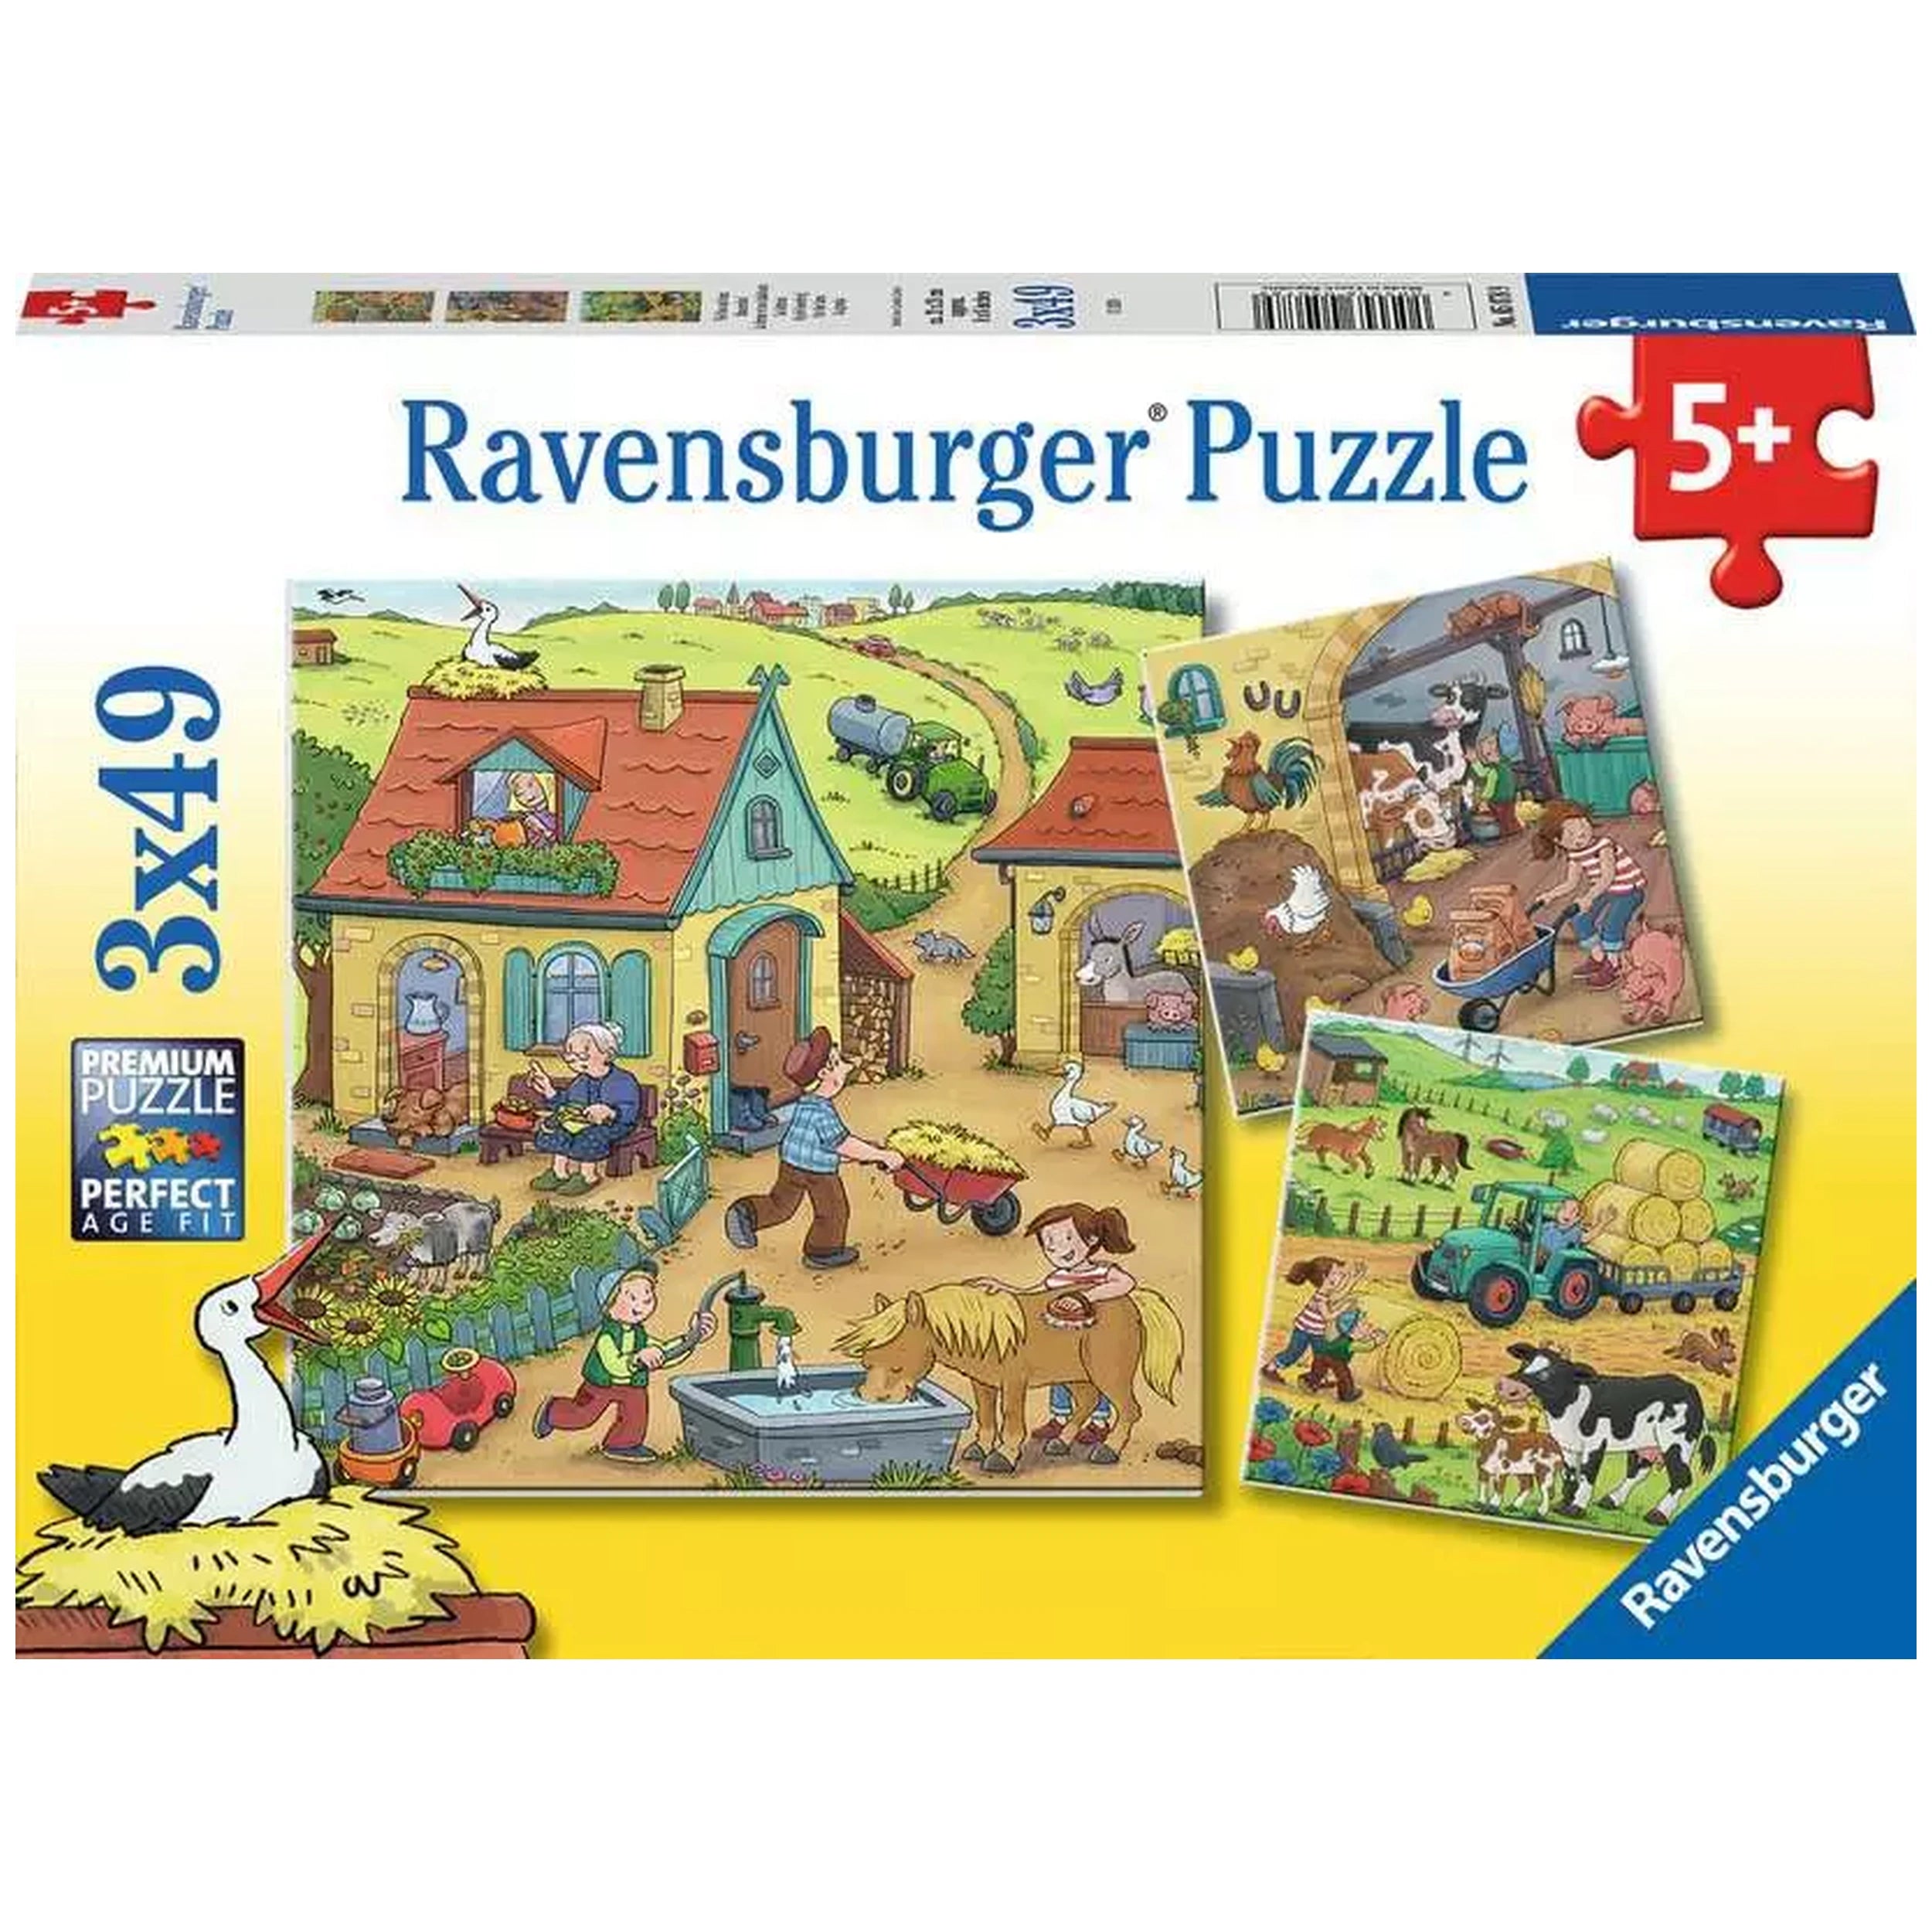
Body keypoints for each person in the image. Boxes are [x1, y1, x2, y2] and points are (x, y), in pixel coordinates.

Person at [724, 1026, 903, 1270]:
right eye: (839, 1063)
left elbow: (824, 1144)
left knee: (781, 1205)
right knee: (833, 1211)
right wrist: (882, 1155)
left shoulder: (805, 1103)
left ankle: (746, 1213)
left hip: (791, 1163)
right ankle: (823, 1252)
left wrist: (866, 1153)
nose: (846, 1068)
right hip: (817, 1172)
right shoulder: (823, 1111)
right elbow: (842, 1143)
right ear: (825, 1073)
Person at [972, 1202, 1137, 1449]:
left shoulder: (1103, 1271)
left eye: (1067, 1238)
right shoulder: (1057, 1278)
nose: (1058, 1249)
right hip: (1060, 1338)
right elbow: (1032, 1294)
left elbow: (1127, 1283)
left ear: (1092, 1239)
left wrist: (1086, 1296)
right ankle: (1060, 1418)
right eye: (1049, 1243)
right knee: (1059, 1377)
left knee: (1099, 1374)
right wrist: (1003, 1288)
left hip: (1095, 1334)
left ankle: (1099, 1421)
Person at [532, 1260, 716, 1462]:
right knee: (583, 1416)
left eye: (647, 1298)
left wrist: (691, 1338)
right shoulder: (607, 1337)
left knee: (636, 1410)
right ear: (610, 1304)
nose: (640, 1306)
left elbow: (665, 1354)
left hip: (630, 1385)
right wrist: (637, 1359)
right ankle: (552, 1411)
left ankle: (622, 1444)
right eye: (632, 1298)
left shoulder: (640, 1336)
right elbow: (614, 1365)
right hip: (601, 1384)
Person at [1527, 798, 1648, 990]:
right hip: (1606, 890)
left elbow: (1608, 877)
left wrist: (1589, 898)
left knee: (1611, 924)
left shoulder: (1604, 845)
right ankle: (1599, 958)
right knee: (1579, 919)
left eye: (1583, 825)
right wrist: (1550, 895)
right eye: (1572, 833)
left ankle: (1614, 965)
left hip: (1629, 889)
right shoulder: (1574, 855)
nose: (1581, 833)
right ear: (1558, 841)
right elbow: (1571, 883)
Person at [528, 1020, 641, 1195]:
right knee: (557, 1127)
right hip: (584, 1121)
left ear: (607, 1053)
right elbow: (566, 1103)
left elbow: (630, 1110)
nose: (577, 1061)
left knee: (591, 1134)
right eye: (573, 1056)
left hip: (616, 1124)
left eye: (584, 1055)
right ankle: (559, 1172)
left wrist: (610, 1112)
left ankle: (589, 1175)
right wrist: (549, 1090)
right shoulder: (581, 1081)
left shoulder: (623, 1080)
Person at [1261, 1253, 1367, 1383]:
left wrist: (1356, 1277)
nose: (1342, 1276)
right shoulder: (1320, 1297)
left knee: (1322, 1355)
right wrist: (1342, 1309)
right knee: (1294, 1353)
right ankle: (1270, 1368)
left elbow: (1342, 1291)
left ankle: (1317, 1378)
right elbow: (1327, 1317)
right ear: (1325, 1278)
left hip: (1317, 1332)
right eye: (1337, 1274)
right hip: (1304, 1330)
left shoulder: (1328, 1292)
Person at [1468, 730, 1520, 835]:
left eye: (1495, 751)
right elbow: (1483, 773)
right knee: (1505, 817)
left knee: (1505, 818)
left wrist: (1475, 762)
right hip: (1501, 798)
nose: (1491, 755)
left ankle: (1511, 832)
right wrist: (1475, 761)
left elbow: (1484, 775)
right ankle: (1511, 831)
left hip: (1501, 798)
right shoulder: (1495, 767)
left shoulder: (1501, 766)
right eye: (1488, 754)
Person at [504, 768, 558, 845]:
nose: (529, 796)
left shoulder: (560, 810)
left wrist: (543, 829)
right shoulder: (528, 820)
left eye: (531, 785)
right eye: (520, 794)